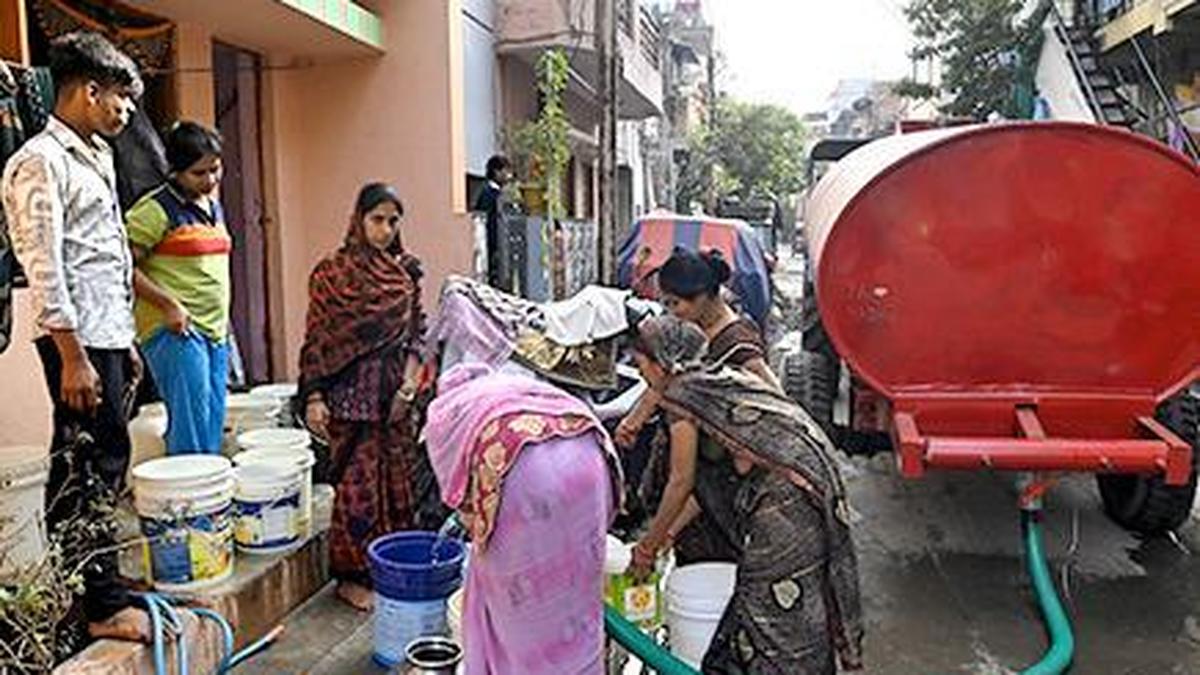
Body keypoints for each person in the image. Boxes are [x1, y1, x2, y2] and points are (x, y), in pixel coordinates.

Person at [1, 31, 148, 641]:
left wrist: (126, 340)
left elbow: (106, 257)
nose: (127, 112)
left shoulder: (97, 156)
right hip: (75, 342)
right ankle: (98, 604)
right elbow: (45, 266)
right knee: (87, 462)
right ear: (89, 91)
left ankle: (96, 582)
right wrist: (73, 357)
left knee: (105, 459)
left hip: (105, 334)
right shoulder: (39, 161)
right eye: (120, 98)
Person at [628, 316, 863, 674]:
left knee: (769, 611)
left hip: (789, 504)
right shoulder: (714, 382)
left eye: (640, 364)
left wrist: (647, 547)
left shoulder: (684, 397)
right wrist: (668, 534)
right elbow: (708, 487)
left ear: (661, 364)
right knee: (798, 603)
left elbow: (681, 480)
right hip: (808, 487)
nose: (640, 373)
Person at [425, 363, 622, 674]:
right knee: (574, 585)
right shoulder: (520, 388)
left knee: (520, 598)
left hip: (525, 472)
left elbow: (459, 498)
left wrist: (472, 517)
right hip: (587, 458)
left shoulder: (448, 412)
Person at [299, 182, 432, 611]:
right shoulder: (332, 274)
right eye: (377, 219)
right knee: (356, 492)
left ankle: (390, 569)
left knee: (396, 489)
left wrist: (409, 387)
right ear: (359, 220)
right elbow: (317, 339)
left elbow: (417, 336)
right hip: (349, 401)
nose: (386, 230)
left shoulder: (406, 274)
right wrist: (314, 397)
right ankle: (351, 577)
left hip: (394, 398)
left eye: (394, 221)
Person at [616, 247, 781, 564]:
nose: (670, 311)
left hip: (718, 484)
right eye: (666, 303)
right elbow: (668, 371)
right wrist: (637, 417)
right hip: (698, 480)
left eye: (675, 303)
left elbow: (775, 403)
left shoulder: (739, 347)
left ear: (704, 297)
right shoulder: (692, 328)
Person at [126, 121, 230, 454]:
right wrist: (168, 304)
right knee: (190, 427)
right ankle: (187, 504)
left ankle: (207, 499)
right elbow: (121, 265)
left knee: (212, 422)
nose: (211, 180)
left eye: (215, 169)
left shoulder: (212, 207)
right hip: (177, 330)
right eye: (199, 173)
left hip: (215, 330)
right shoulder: (156, 209)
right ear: (176, 171)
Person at [474, 154, 512, 288]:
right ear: (496, 172)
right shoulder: (489, 194)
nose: (508, 175)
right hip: (492, 245)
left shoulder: (493, 192)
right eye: (505, 171)